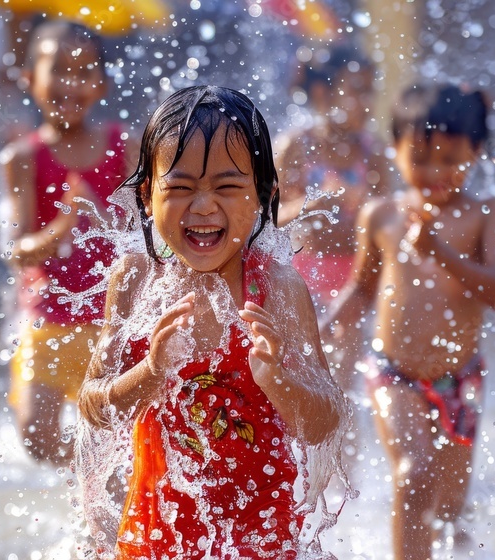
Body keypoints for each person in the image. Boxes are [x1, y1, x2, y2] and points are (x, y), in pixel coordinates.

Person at [75, 86, 347, 559]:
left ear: (264, 195)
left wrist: (276, 379)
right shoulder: (137, 281)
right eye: (180, 188)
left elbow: (325, 420)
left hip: (261, 533)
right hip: (156, 532)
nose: (202, 207)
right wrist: (150, 372)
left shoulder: (279, 290)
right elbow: (93, 404)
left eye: (226, 187)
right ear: (147, 194)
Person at [323, 83, 495, 560]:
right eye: (422, 158)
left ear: (478, 152)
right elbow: (363, 290)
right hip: (393, 374)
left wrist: (441, 253)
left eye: (451, 160)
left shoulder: (487, 216)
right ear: (394, 149)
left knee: (451, 508)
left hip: (460, 379)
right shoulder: (381, 215)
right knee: (414, 474)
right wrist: (319, 332)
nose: (435, 173)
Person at [0, 20, 132, 465]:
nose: (70, 83)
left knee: (118, 439)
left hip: (113, 317)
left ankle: (101, 507)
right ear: (29, 78)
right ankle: (83, 482)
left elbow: (147, 233)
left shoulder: (123, 146)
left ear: (102, 85)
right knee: (35, 436)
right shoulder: (23, 158)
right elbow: (18, 251)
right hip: (48, 317)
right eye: (57, 70)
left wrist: (106, 217)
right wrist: (64, 225)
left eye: (84, 72)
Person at [276, 44, 391, 314]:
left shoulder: (372, 153)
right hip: (304, 282)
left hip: (358, 284)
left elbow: (388, 223)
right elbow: (264, 221)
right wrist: (310, 203)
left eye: (370, 92)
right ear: (322, 93)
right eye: (358, 91)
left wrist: (365, 205)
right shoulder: (295, 147)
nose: (368, 103)